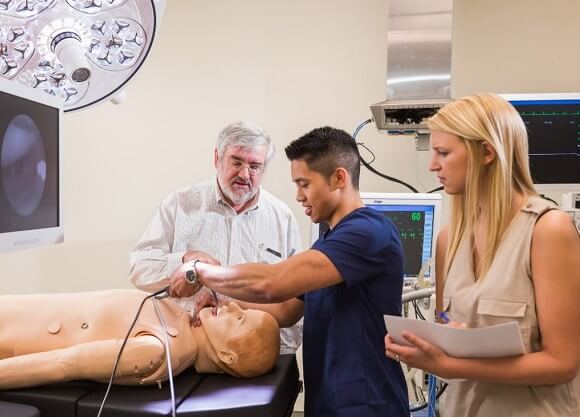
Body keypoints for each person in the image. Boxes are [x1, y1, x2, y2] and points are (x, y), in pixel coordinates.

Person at [168, 127, 410, 417]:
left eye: (304, 184)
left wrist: (199, 271)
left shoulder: (368, 232)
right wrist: (219, 297)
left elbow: (274, 283)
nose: (298, 196)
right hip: (327, 401)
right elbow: (285, 309)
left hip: (365, 404)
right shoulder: (329, 241)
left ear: (339, 178)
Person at [385, 93, 580, 417]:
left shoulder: (548, 231)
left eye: (443, 153)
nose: (433, 165)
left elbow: (562, 363)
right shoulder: (451, 237)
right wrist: (440, 339)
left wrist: (454, 363)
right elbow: (445, 318)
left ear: (487, 152)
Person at [129, 121, 302, 354]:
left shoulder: (282, 218)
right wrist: (186, 261)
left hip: (254, 357)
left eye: (254, 166)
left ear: (263, 170)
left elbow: (294, 301)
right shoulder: (180, 204)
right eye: (236, 161)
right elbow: (139, 268)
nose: (244, 174)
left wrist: (280, 356)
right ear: (217, 159)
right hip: (186, 351)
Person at [0, 289, 280, 390]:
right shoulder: (180, 319)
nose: (232, 307)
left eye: (240, 319)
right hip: (17, 310)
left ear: (227, 355)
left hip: (11, 334)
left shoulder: (157, 350)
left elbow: (61, 365)